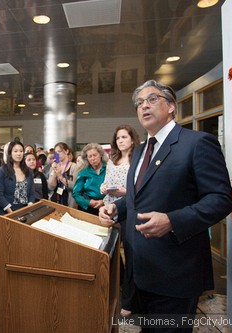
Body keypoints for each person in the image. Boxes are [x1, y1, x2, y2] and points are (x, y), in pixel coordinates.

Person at [98, 80, 232, 332]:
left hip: (175, 271)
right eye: (139, 103)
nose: (144, 106)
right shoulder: (138, 152)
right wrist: (117, 208)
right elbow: (137, 198)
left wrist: (173, 220)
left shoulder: (196, 143)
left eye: (152, 99)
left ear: (171, 106)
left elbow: (221, 199)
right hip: (140, 271)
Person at [99, 125, 140, 317]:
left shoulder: (138, 159)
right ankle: (119, 287)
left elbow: (140, 188)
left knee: (131, 255)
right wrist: (104, 188)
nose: (120, 140)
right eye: (118, 138)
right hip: (110, 209)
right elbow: (106, 182)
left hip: (129, 209)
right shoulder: (111, 159)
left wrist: (124, 192)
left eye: (124, 137)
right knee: (113, 253)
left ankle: (130, 301)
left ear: (132, 139)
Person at [0, 140, 36, 215]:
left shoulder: (28, 171)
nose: (19, 154)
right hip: (7, 212)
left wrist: (30, 205)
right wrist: (11, 212)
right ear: (10, 153)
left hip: (25, 211)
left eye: (21, 151)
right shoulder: (3, 170)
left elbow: (32, 193)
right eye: (15, 151)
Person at [72, 143, 107, 215]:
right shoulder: (83, 172)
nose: (93, 158)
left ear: (100, 155)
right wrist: (89, 202)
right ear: (87, 159)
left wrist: (104, 201)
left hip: (107, 206)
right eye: (90, 156)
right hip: (88, 208)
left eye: (95, 155)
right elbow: (76, 194)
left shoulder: (109, 169)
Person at [47, 142, 78, 208]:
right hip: (56, 199)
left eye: (59, 151)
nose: (57, 154)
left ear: (66, 151)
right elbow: (50, 187)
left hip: (69, 201)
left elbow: (75, 186)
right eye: (56, 152)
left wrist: (61, 177)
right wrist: (54, 171)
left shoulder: (74, 167)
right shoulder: (53, 167)